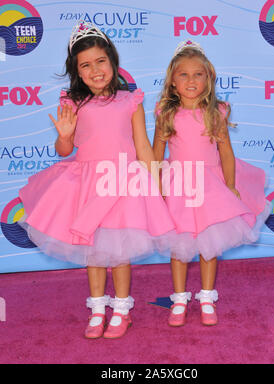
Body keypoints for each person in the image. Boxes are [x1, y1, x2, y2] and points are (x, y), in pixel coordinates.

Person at [19, 21, 174, 339]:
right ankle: (98, 308)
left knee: (119, 251)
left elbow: (142, 145)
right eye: (86, 66)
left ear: (113, 62)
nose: (95, 70)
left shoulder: (131, 100)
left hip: (124, 183)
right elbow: (65, 149)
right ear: (77, 72)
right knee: (93, 251)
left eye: (100, 61)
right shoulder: (72, 102)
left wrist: (155, 182)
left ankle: (121, 309)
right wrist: (63, 136)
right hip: (89, 184)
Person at [153, 40, 271, 327]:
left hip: (210, 185)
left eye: (198, 74)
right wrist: (155, 189)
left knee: (210, 243)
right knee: (179, 246)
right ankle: (179, 298)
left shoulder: (216, 111)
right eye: (184, 75)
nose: (191, 80)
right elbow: (156, 155)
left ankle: (207, 297)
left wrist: (230, 185)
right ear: (172, 82)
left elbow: (226, 153)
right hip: (178, 184)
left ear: (209, 78)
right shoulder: (165, 113)